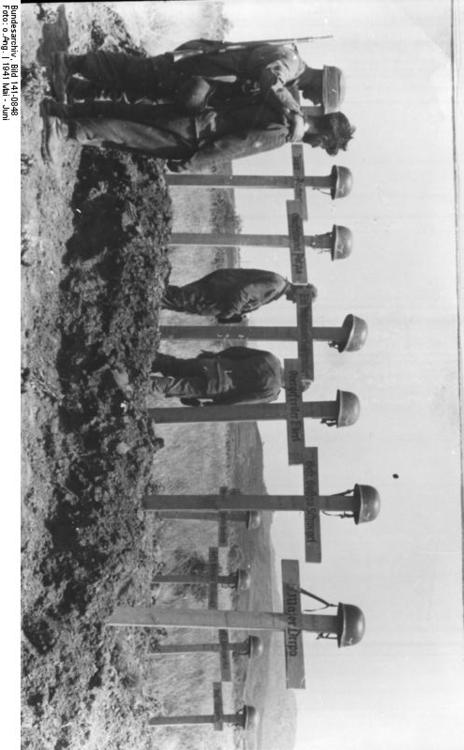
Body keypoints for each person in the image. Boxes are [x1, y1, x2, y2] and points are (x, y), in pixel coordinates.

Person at [51, 41, 345, 139]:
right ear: (322, 85)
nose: (313, 101)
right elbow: (270, 78)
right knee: (136, 73)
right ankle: (71, 63)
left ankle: (76, 88)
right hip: (203, 70)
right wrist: (292, 111)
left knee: (140, 91)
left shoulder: (293, 72)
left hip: (206, 81)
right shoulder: (292, 64)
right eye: (319, 98)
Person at [40, 97, 355, 165]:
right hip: (196, 136)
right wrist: (194, 163)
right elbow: (236, 145)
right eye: (324, 145)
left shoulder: (287, 106)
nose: (316, 147)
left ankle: (66, 110)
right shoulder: (287, 131)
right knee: (127, 132)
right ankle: (66, 128)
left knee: (133, 111)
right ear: (324, 135)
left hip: (200, 113)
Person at [161, 268, 318, 322]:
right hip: (217, 291)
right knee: (177, 299)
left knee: (176, 299)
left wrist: (238, 313)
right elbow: (244, 292)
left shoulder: (278, 288)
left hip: (218, 291)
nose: (294, 303)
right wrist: (230, 313)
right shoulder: (276, 286)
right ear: (301, 290)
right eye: (301, 299)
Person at [148, 347, 284, 405]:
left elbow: (236, 351)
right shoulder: (271, 392)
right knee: (173, 386)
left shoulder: (271, 359)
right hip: (214, 387)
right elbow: (240, 401)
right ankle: (135, 384)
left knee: (172, 365)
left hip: (212, 365)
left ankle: (140, 357)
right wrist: (215, 405)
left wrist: (215, 356)